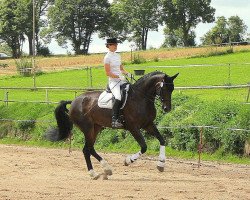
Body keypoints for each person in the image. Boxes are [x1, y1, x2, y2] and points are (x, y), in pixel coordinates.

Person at [104, 38, 131, 128]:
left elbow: (121, 69)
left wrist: (128, 74)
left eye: (116, 45)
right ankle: (114, 120)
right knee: (118, 97)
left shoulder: (118, 56)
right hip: (113, 81)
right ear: (109, 46)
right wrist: (117, 77)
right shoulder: (107, 57)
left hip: (121, 80)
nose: (116, 46)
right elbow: (107, 73)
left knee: (131, 90)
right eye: (114, 45)